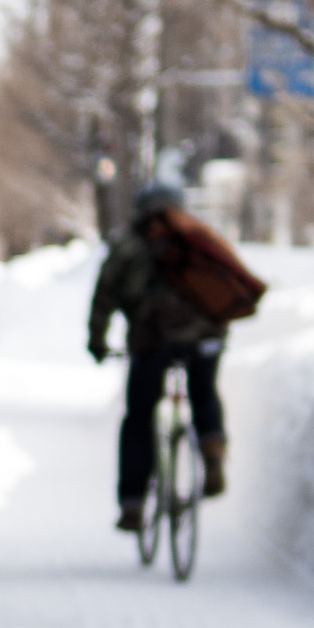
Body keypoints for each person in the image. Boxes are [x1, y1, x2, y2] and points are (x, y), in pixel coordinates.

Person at [87, 183, 229, 532]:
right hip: (204, 338)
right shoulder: (199, 237)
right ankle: (212, 448)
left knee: (139, 416)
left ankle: (133, 504)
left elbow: (103, 299)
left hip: (152, 342)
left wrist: (98, 342)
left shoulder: (129, 246)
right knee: (204, 392)